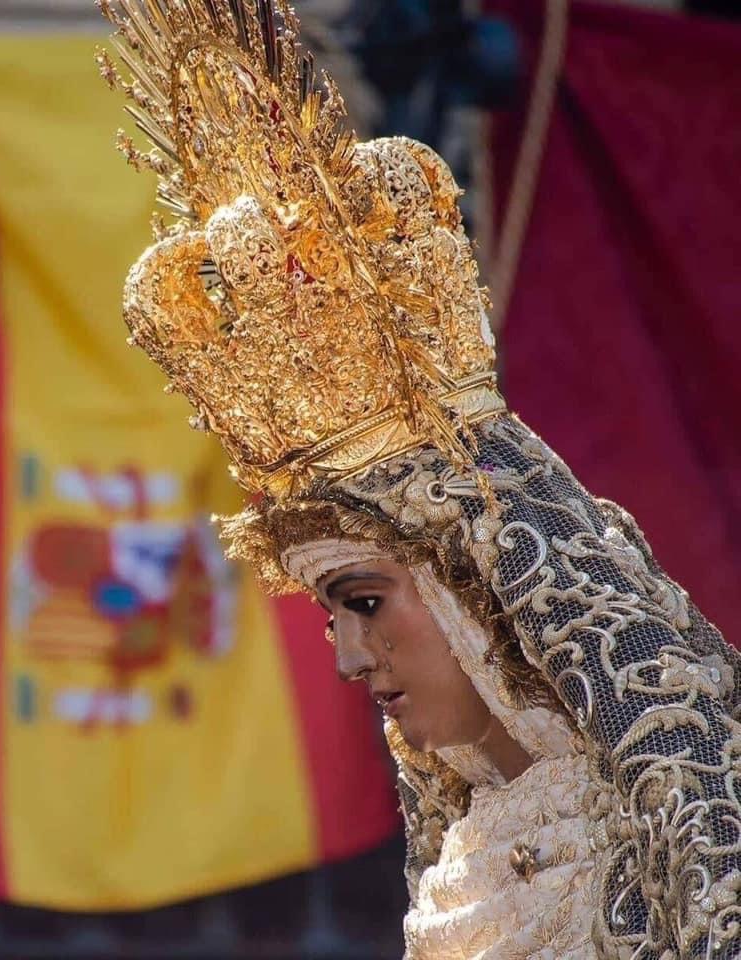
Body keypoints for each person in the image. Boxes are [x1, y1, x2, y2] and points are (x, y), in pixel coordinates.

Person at [98, 1, 741, 956]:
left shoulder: (696, 822)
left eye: (364, 600)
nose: (350, 659)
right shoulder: (459, 870)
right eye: (331, 615)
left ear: (478, 586)